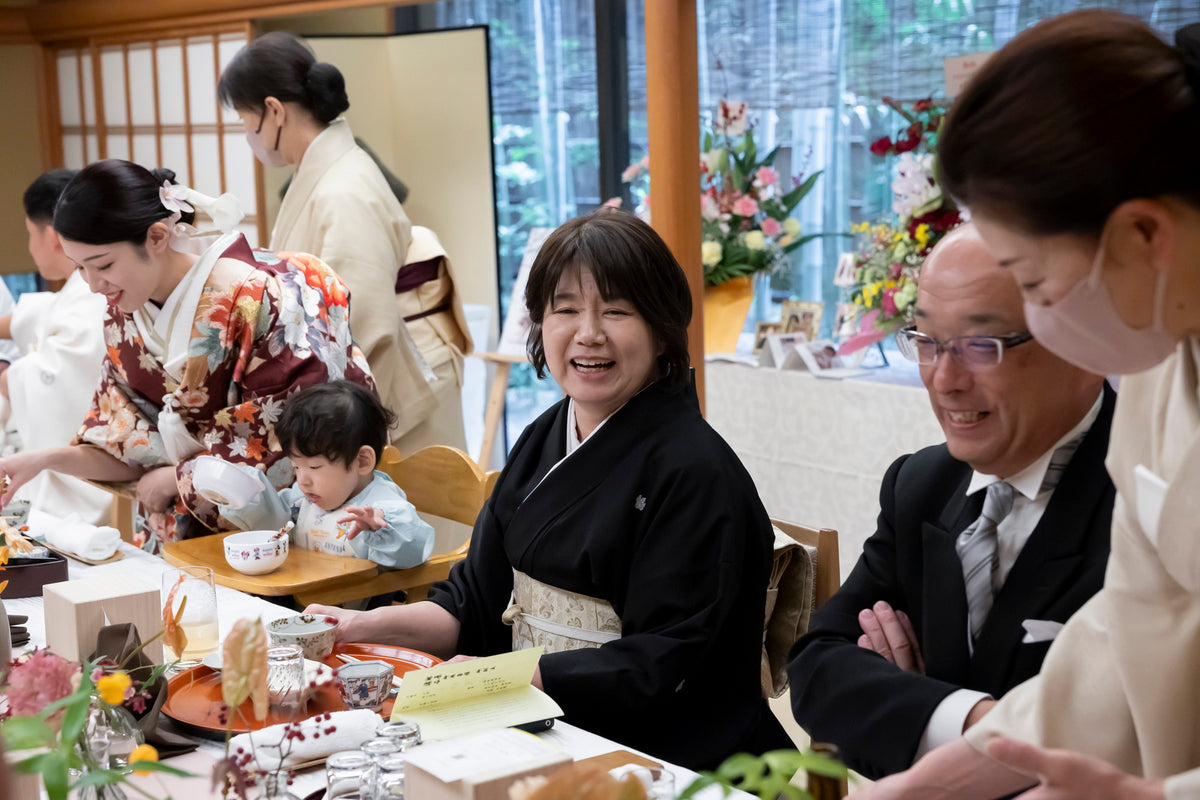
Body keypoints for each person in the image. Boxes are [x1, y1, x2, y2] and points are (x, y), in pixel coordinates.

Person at [854, 11, 1200, 800]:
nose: (1040, 323)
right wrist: (924, 787)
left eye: (1033, 284)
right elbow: (1124, 633)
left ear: (1143, 235)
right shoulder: (1159, 364)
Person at [307, 210, 788, 769]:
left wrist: (514, 677)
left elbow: (667, 662)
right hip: (543, 719)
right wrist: (358, 626)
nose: (588, 333)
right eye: (565, 309)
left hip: (661, 750)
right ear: (540, 323)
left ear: (662, 330)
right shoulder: (543, 437)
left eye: (616, 310)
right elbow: (473, 603)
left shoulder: (696, 473)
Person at [787, 224, 1114, 780]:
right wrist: (963, 719)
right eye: (926, 342)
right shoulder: (922, 484)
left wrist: (912, 708)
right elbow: (818, 667)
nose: (943, 380)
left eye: (980, 346)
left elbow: (1124, 744)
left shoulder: (1151, 495)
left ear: (1081, 345)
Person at [0, 159, 374, 553]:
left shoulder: (255, 297)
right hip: (181, 538)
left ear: (158, 236)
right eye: (80, 269)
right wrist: (41, 460)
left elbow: (292, 441)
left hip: (286, 533)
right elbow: (127, 448)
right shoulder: (123, 315)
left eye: (104, 265)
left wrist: (179, 479)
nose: (93, 286)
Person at [218, 32, 473, 453]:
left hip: (388, 379)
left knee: (417, 512)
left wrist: (328, 419)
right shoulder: (320, 174)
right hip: (350, 370)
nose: (249, 137)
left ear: (274, 111)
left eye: (247, 124)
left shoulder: (344, 188)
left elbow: (363, 318)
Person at [217, 380, 434, 569]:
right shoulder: (302, 501)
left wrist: (380, 530)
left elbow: (413, 549)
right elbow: (276, 521)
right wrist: (243, 494)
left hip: (359, 612)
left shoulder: (382, 509)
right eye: (296, 467)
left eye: (314, 467)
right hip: (306, 604)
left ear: (362, 461)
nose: (302, 480)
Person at [0, 169, 111, 523]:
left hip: (96, 475)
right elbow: (34, 316)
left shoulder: (91, 290)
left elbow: (54, 382)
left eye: (30, 234)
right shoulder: (77, 289)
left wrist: (8, 373)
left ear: (50, 236)